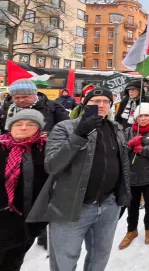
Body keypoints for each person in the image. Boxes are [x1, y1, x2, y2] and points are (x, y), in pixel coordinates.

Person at [27, 87, 131, 271]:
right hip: (72, 207)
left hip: (108, 206)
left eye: (105, 101)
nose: (101, 105)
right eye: (95, 101)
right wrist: (80, 134)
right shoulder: (65, 127)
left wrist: (122, 197)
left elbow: (121, 164)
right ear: (84, 103)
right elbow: (52, 165)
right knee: (65, 261)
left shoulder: (116, 128)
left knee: (100, 256)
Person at [5, 79, 69, 249]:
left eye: (25, 96)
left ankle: (42, 233)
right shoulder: (8, 108)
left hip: (43, 156)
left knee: (41, 195)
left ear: (35, 94)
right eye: (16, 97)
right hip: (15, 156)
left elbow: (67, 129)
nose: (20, 100)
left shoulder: (53, 107)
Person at [0, 110, 47, 271]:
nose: (24, 128)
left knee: (14, 262)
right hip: (3, 220)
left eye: (31, 124)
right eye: (18, 124)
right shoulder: (1, 147)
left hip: (28, 222)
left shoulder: (46, 149)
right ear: (10, 128)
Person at [119, 103, 149, 250]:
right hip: (132, 176)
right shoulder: (128, 131)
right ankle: (131, 230)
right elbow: (121, 152)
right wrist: (129, 145)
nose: (143, 118)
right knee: (131, 205)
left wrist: (143, 149)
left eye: (146, 115)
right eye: (140, 115)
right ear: (135, 117)